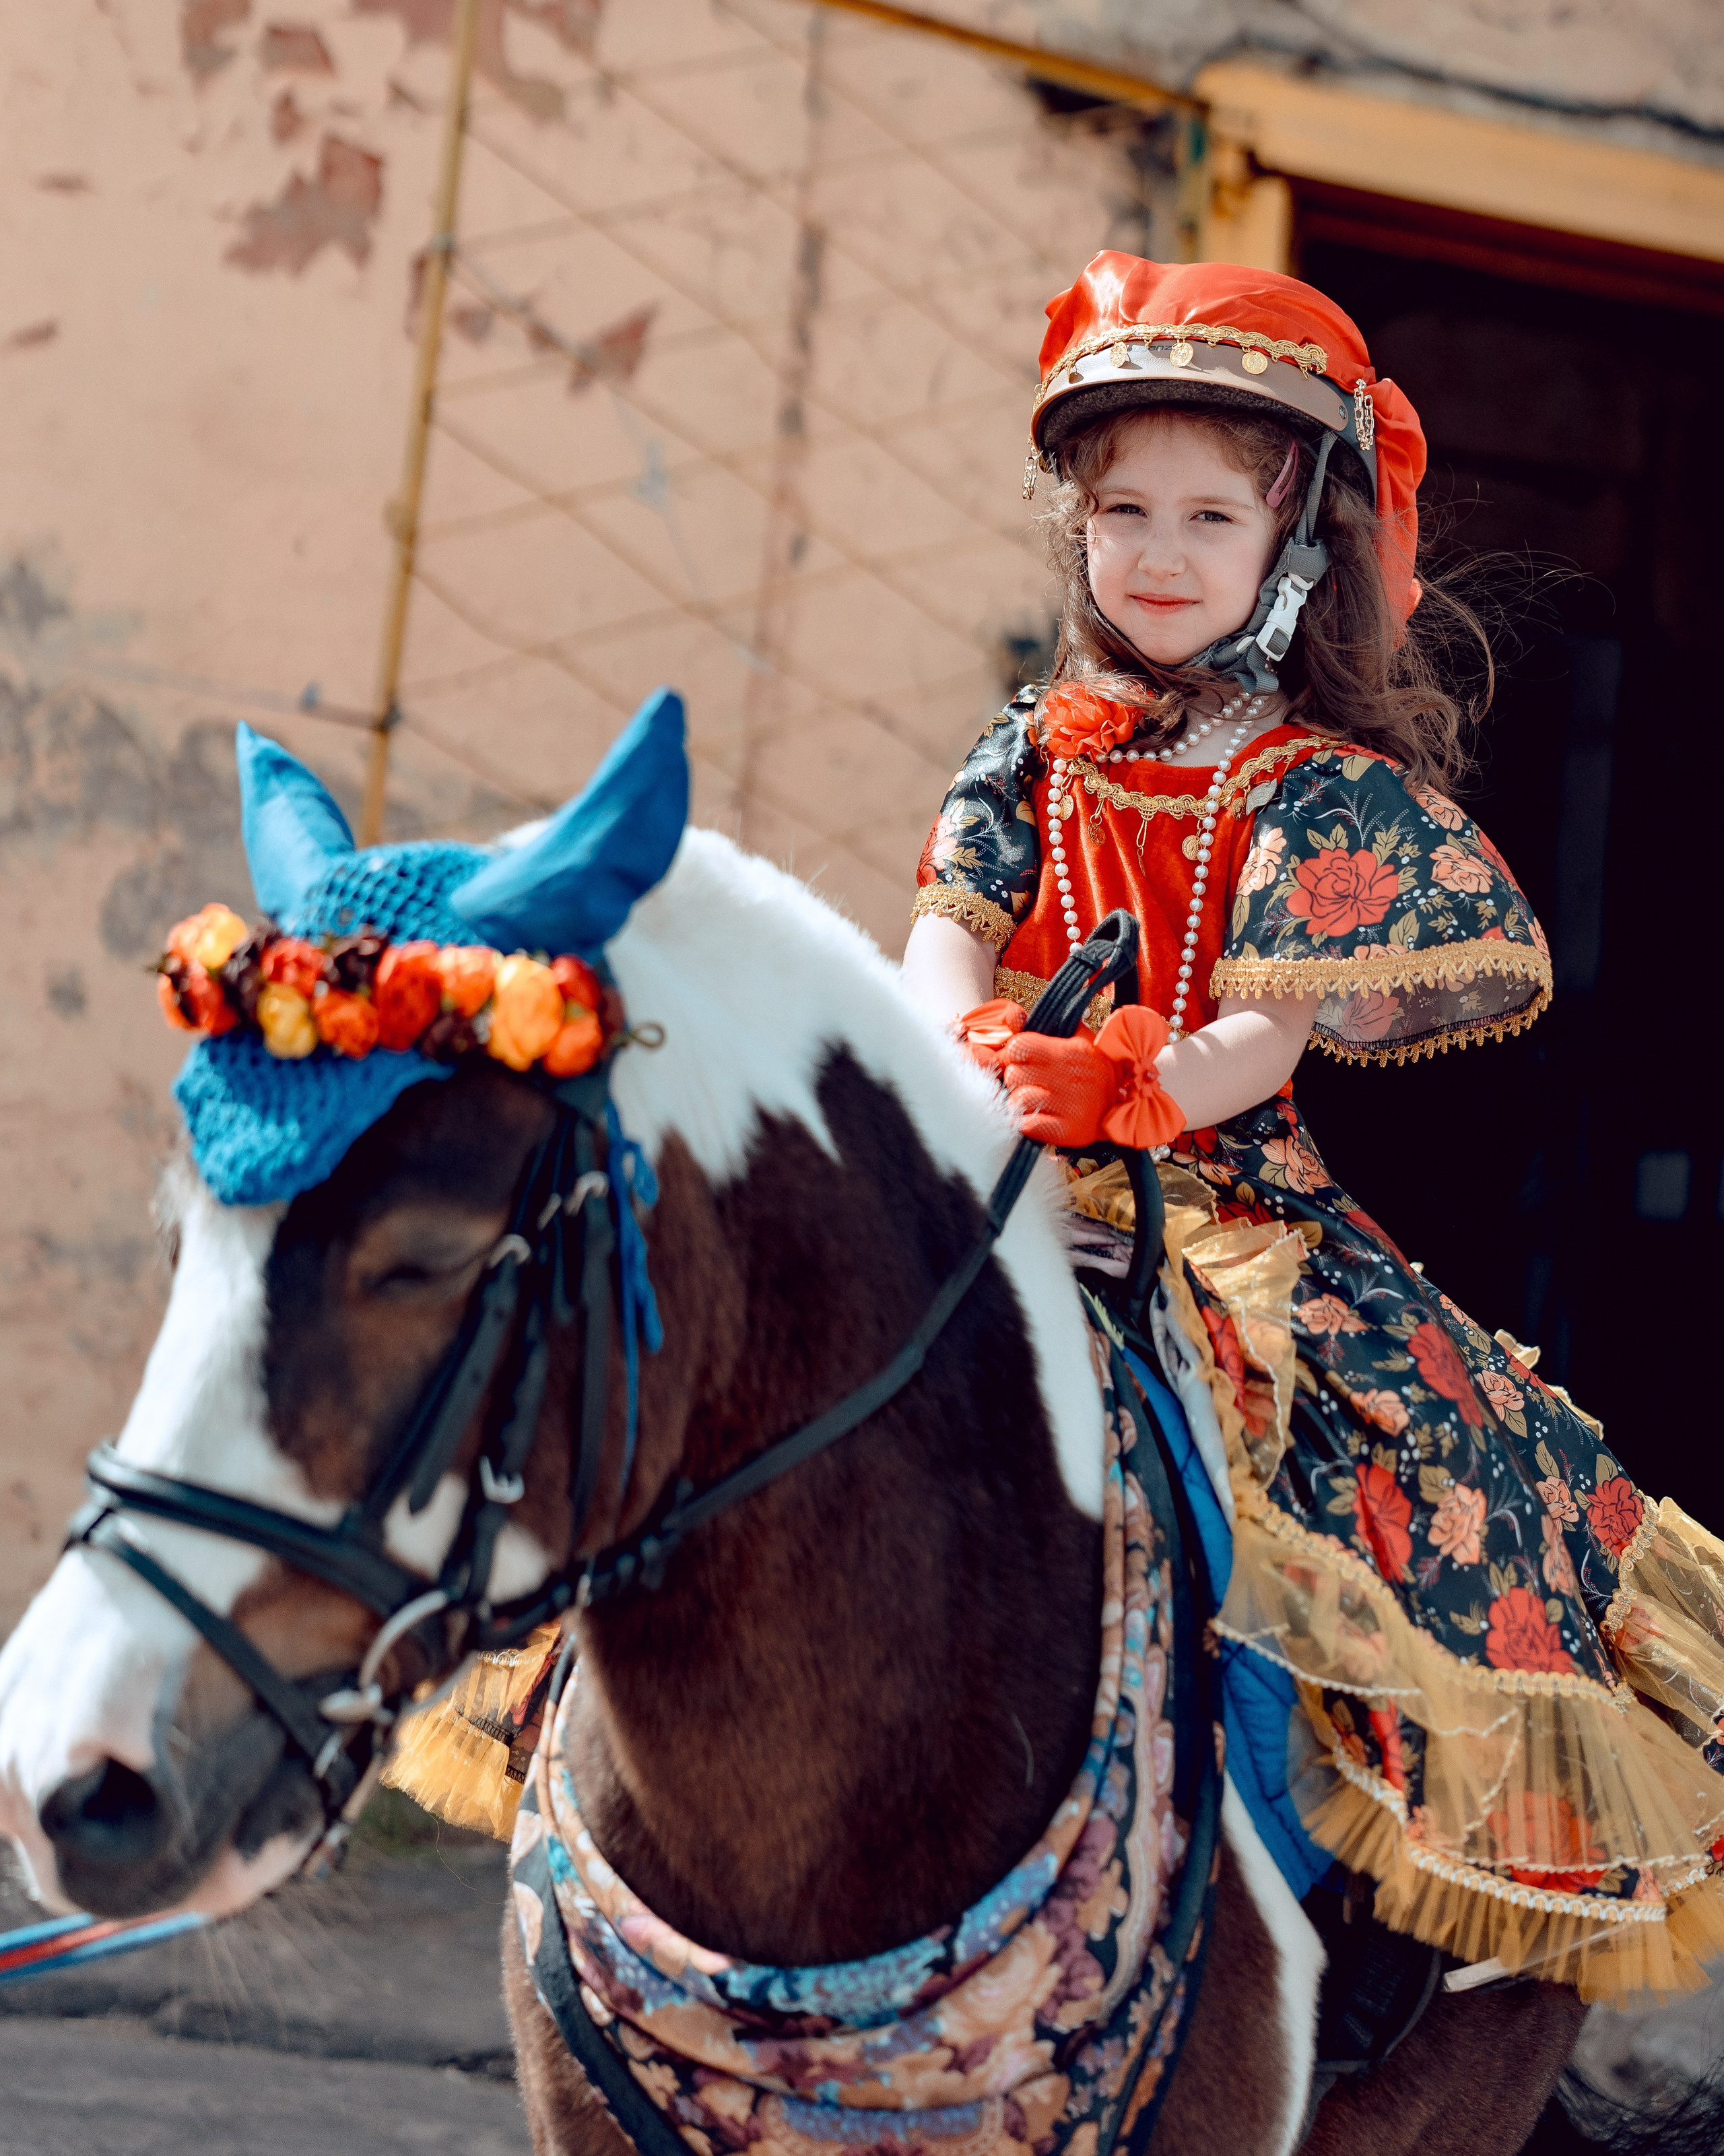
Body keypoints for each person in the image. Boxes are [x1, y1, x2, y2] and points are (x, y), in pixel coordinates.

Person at [902, 252, 1724, 2003]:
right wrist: (973, 1050)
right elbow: (941, 937)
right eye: (1122, 508)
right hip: (987, 1158)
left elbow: (1265, 1037)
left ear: (1295, 533)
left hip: (1223, 1212)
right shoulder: (1023, 755)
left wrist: (1127, 1086)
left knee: (1340, 1522)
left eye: (1209, 511)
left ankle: (1287, 1902)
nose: (1159, 551)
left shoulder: (1313, 790)